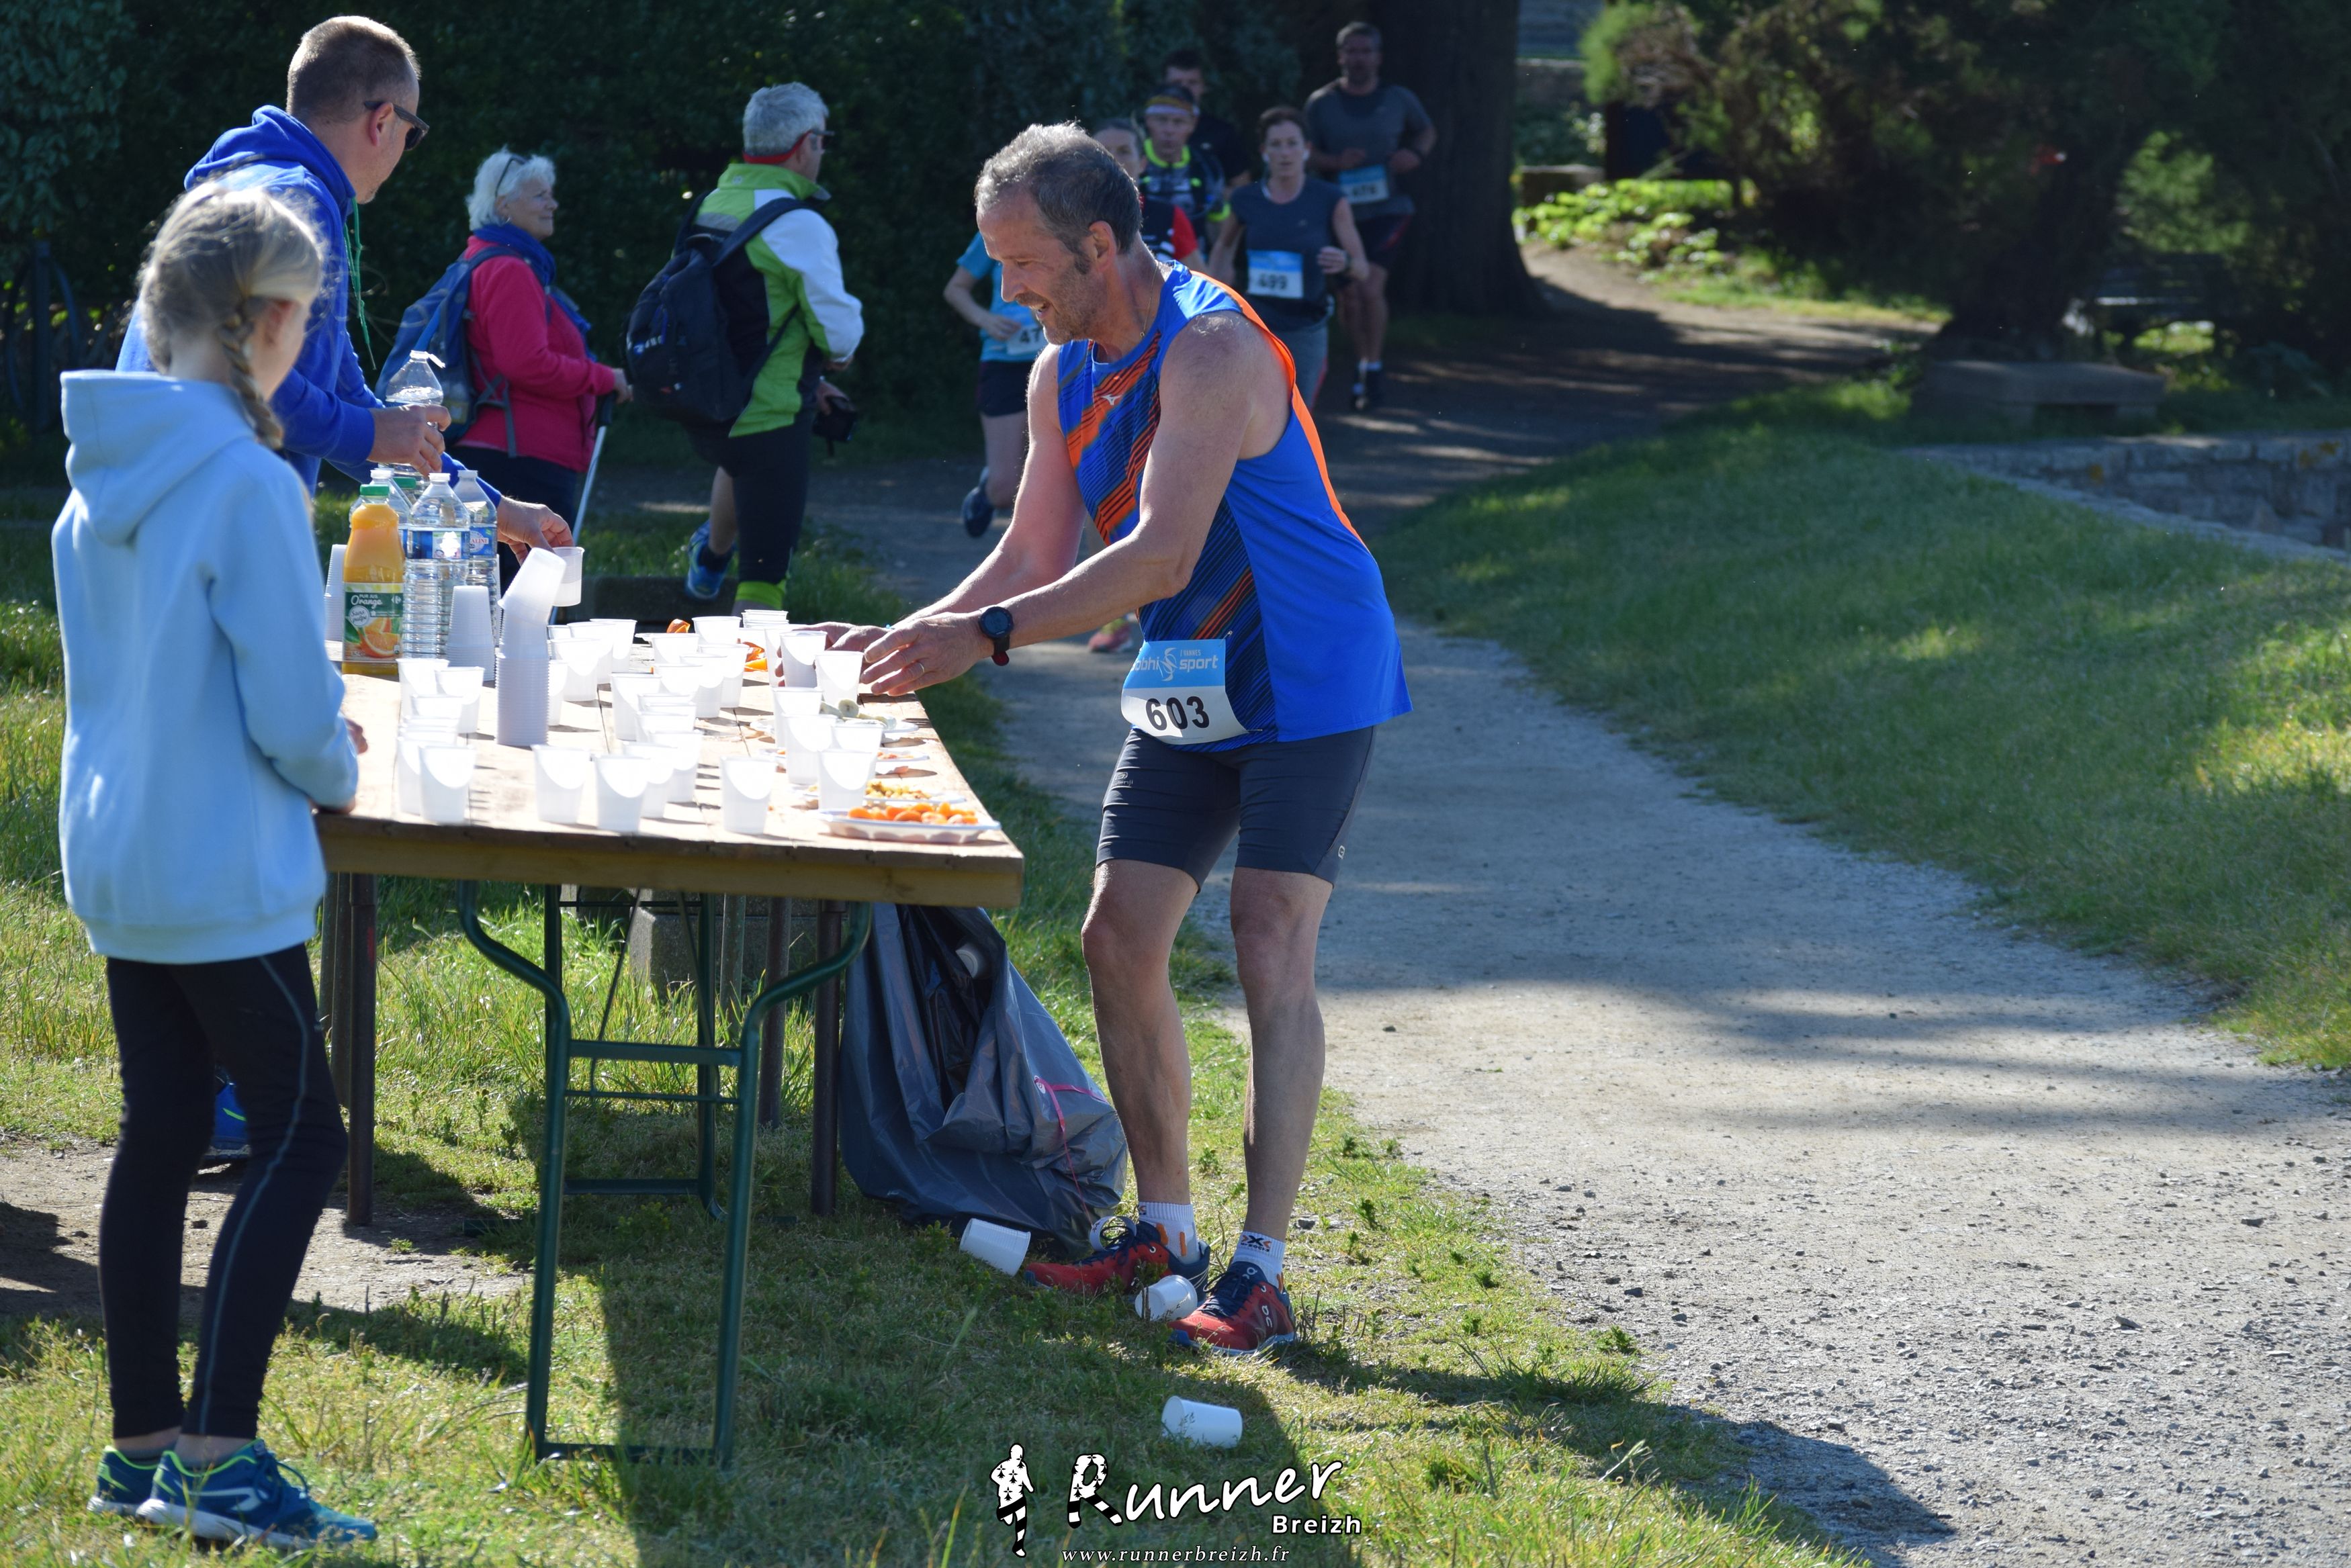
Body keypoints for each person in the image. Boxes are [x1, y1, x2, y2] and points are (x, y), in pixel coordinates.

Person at [826, 125, 1409, 1356]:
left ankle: (1262, 1273)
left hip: (1308, 667)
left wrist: (983, 639)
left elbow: (1160, 556)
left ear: (1099, 244)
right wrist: (914, 632)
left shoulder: (1211, 350)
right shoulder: (1058, 370)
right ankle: (1164, 1233)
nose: (1008, 292)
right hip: (1192, 673)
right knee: (1117, 933)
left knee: (1268, 938)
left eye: (1024, 264)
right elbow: (1035, 551)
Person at [114, 13, 568, 1163]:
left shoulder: (248, 183)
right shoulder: (302, 205)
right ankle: (248, 1099)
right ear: (378, 118)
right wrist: (380, 436)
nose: (408, 148)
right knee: (248, 816)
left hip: (159, 538)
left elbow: (351, 401)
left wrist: (492, 505)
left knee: (211, 811)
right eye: (411, 127)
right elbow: (269, 394)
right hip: (211, 548)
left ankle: (201, 1095)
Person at [60, 184, 371, 1549]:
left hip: (124, 857)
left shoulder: (98, 478)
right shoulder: (247, 481)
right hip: (217, 869)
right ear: (271, 321)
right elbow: (292, 710)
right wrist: (341, 767)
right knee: (305, 1136)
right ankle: (216, 1456)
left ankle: (141, 1447)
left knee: (165, 1131)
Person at [680, 83, 864, 610]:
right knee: (764, 581)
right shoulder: (797, 224)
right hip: (771, 415)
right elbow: (840, 335)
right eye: (823, 141)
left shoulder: (713, 202)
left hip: (709, 405)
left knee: (739, 463)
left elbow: (734, 315)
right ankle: (748, 667)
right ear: (807, 144)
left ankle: (710, 558)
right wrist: (833, 360)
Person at [453, 148, 629, 524]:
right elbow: (526, 363)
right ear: (503, 205)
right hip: (519, 462)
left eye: (550, 194)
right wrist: (604, 378)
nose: (553, 204)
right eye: (540, 196)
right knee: (537, 565)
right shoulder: (509, 269)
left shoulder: (486, 258)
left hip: (507, 453)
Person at [1304, 21, 1435, 412]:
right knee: (1350, 298)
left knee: (1370, 287)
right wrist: (1334, 162)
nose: (1359, 59)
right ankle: (1363, 361)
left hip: (1387, 210)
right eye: (1352, 51)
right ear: (1340, 56)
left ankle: (1372, 368)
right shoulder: (1322, 103)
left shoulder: (1398, 98)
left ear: (1378, 57)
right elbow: (1304, 152)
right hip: (1339, 214)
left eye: (1366, 51)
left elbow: (1426, 131)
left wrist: (1415, 154)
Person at [1210, 107, 1368, 410]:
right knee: (1249, 411)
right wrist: (1217, 288)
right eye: (1276, 144)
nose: (1285, 153)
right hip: (1255, 325)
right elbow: (1224, 248)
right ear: (1264, 152)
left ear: (1306, 149)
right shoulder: (1245, 199)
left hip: (1305, 327)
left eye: (1292, 144)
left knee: (1297, 413)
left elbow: (1361, 268)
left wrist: (1344, 262)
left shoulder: (1329, 198)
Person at [944, 225, 1043, 539]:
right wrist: (985, 320)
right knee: (1004, 491)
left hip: (1058, 357)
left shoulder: (1069, 221)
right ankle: (988, 489)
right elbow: (956, 289)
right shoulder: (997, 227)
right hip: (1004, 360)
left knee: (1053, 470)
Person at [1094, 119, 1202, 271]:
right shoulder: (1071, 216)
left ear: (1143, 163)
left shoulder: (1170, 217)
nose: (1113, 158)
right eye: (1103, 151)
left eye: (1124, 151)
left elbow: (1200, 282)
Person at [1137, 85, 1227, 236]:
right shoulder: (1131, 158)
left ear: (1193, 124)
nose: (1169, 130)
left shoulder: (1207, 167)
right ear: (1148, 120)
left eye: (1178, 122)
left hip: (1194, 249)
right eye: (1161, 120)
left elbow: (1217, 222)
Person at [1161, 48, 1249, 193]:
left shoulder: (1222, 133)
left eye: (1192, 83)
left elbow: (1242, 188)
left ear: (1204, 87)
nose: (1185, 89)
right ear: (1164, 85)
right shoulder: (1144, 129)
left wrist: (1208, 196)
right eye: (1177, 82)